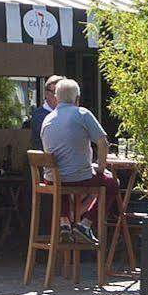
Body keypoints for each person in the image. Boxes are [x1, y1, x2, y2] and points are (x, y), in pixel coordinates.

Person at [38, 78, 117, 244]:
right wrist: (101, 168)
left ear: (57, 98)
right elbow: (103, 143)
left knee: (63, 180)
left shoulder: (47, 119)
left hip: (52, 179)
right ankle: (85, 224)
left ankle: (65, 223)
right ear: (77, 98)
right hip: (77, 177)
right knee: (111, 183)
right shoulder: (82, 113)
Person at [27, 75, 62, 150]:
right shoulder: (39, 115)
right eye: (55, 92)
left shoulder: (68, 112)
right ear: (46, 93)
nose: (58, 96)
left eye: (61, 93)